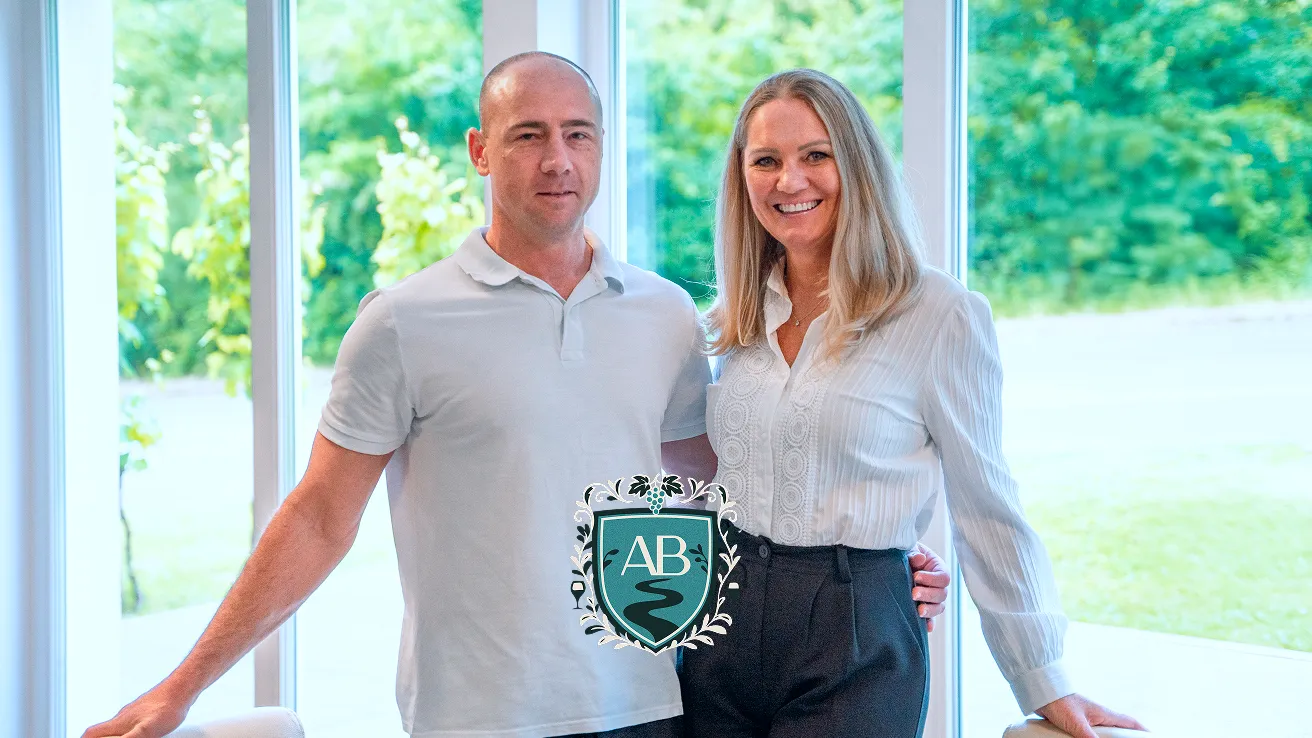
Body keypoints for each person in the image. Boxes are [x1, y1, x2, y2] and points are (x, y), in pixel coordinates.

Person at [83, 54, 950, 738]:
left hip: (648, 704)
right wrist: (179, 686)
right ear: (479, 150)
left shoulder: (666, 314)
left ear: (603, 149)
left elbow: (720, 484)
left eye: (578, 133)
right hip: (476, 718)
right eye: (528, 134)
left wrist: (865, 570)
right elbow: (317, 516)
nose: (557, 160)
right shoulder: (401, 322)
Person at [678, 69, 1146, 738]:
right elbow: (718, 474)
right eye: (766, 161)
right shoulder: (733, 324)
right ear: (741, 178)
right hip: (720, 618)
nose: (790, 180)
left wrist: (1042, 679)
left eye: (816, 155)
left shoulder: (938, 313)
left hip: (855, 634)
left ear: (858, 167)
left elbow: (987, 507)